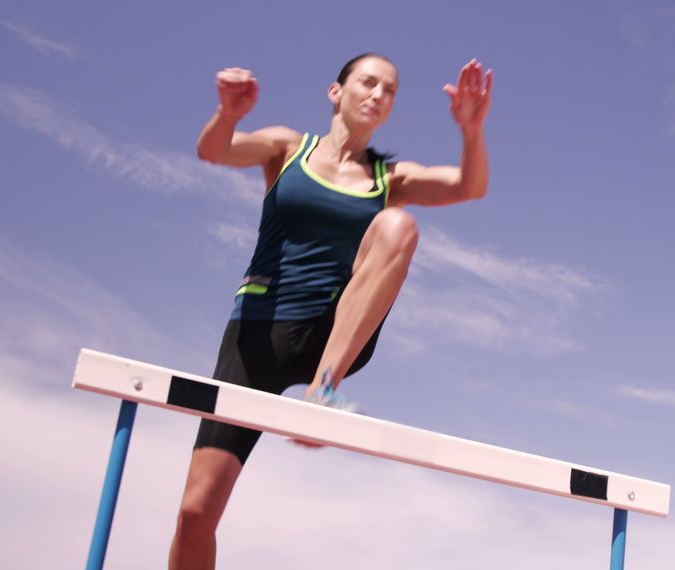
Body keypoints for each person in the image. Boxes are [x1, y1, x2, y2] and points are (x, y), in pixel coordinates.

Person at [169, 54, 492, 569]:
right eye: (368, 82)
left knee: (398, 227)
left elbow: (468, 187)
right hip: (258, 332)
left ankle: (323, 392)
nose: (378, 94)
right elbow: (214, 151)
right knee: (195, 512)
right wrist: (228, 115)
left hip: (334, 335)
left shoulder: (391, 177)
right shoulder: (286, 147)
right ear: (335, 92)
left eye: (389, 90)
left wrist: (471, 130)